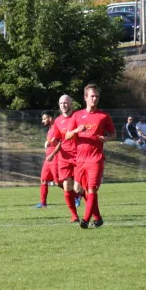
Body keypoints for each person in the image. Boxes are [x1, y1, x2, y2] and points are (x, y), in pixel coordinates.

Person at [66, 84, 116, 229]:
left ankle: (86, 220)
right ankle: (98, 217)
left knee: (92, 189)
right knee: (77, 189)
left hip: (96, 158)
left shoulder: (103, 116)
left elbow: (114, 134)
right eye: (92, 96)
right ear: (85, 97)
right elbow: (68, 136)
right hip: (80, 159)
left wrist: (106, 139)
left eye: (97, 96)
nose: (94, 99)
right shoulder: (77, 115)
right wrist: (76, 130)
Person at [52, 95, 84, 223]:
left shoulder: (78, 117)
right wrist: (52, 142)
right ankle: (74, 216)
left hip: (78, 155)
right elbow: (58, 137)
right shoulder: (58, 120)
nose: (63, 105)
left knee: (77, 189)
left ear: (71, 104)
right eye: (61, 103)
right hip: (64, 157)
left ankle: (91, 207)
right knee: (66, 186)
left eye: (66, 102)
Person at [34, 110, 62, 208]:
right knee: (43, 180)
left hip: (55, 158)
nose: (43, 121)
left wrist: (49, 142)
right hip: (48, 159)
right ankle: (43, 203)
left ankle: (76, 195)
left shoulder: (55, 128)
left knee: (58, 182)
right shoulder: (50, 128)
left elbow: (57, 141)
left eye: (44, 119)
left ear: (50, 118)